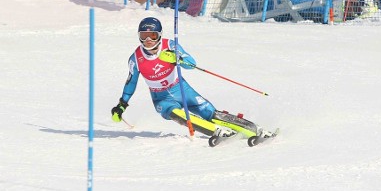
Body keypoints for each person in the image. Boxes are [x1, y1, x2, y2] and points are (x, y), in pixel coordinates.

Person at [111, 18, 270, 144]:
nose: (148, 41)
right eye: (143, 36)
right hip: (161, 98)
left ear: (159, 35)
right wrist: (122, 104)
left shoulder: (170, 45)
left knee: (209, 112)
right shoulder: (136, 59)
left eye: (152, 36)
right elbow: (131, 83)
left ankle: (252, 128)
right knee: (177, 114)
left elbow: (191, 63)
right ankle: (217, 131)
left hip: (181, 89)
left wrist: (177, 58)